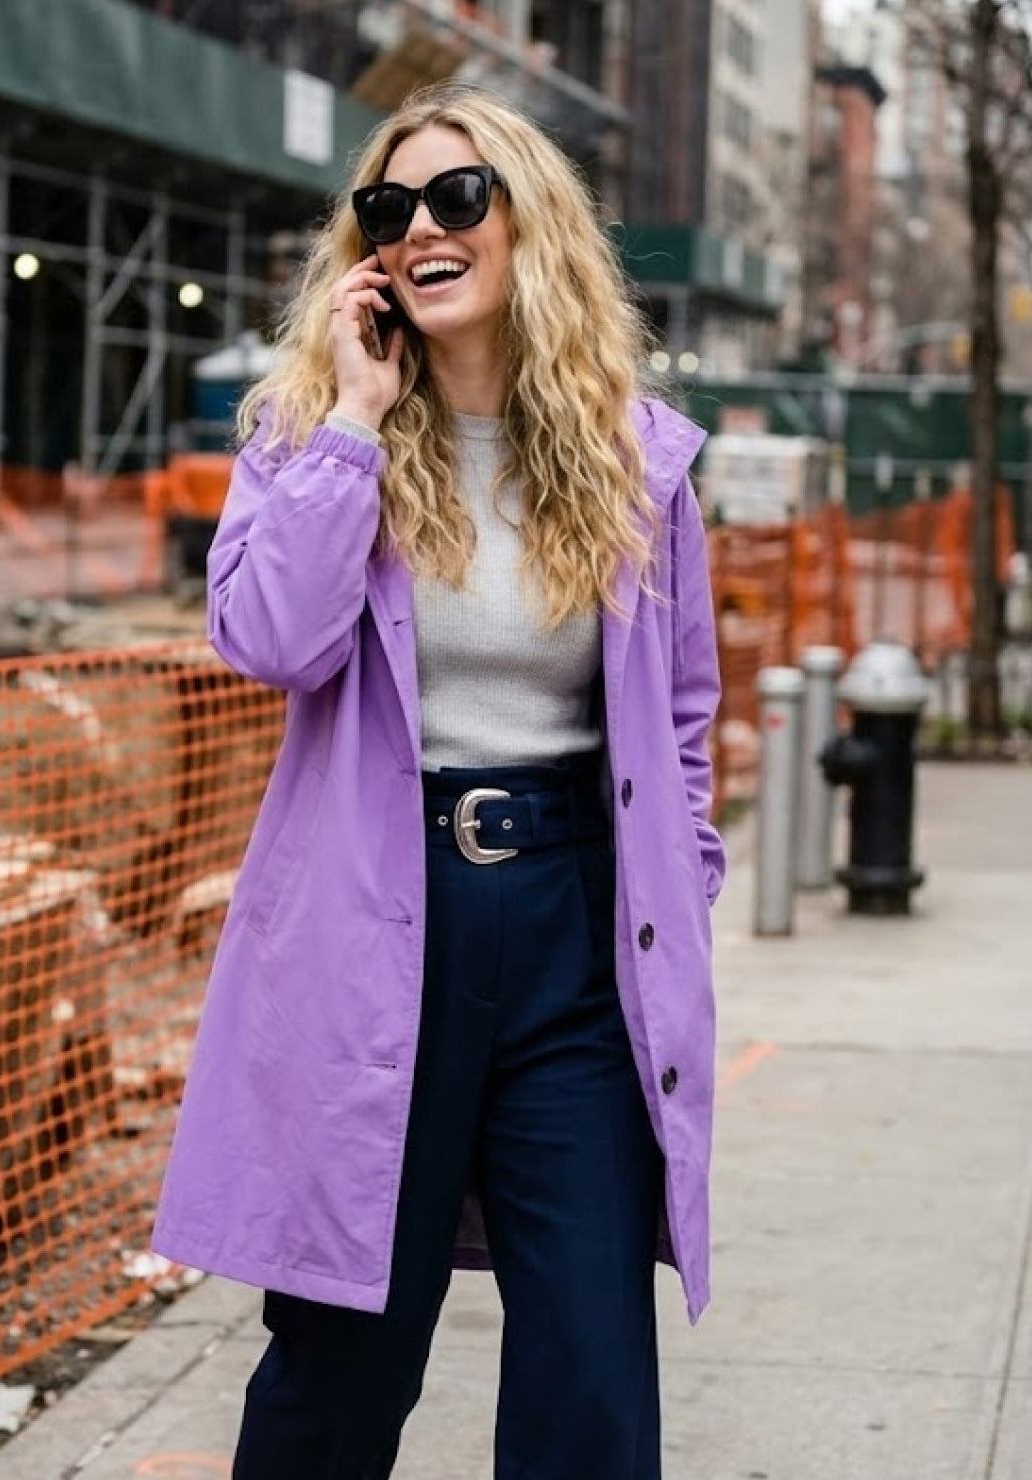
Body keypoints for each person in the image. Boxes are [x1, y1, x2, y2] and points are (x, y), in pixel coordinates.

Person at [151, 81, 725, 1480]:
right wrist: (355, 419)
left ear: (530, 224)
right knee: (346, 1357)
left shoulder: (634, 460)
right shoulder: (304, 438)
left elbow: (688, 713)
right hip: (373, 928)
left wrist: (683, 884)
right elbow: (270, 643)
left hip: (577, 941)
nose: (421, 227)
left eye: (457, 196)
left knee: (591, 1368)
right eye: (388, 206)